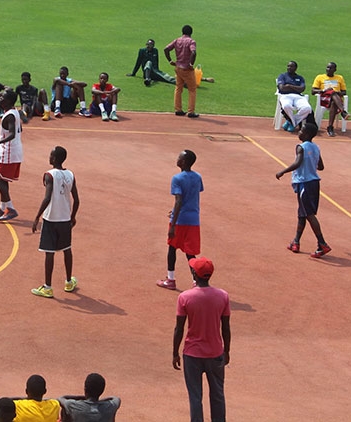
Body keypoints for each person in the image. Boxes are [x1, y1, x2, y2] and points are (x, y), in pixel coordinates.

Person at [172, 257, 231, 422]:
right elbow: (226, 327)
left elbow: (179, 328)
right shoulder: (223, 296)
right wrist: (226, 351)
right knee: (218, 394)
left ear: (193, 273)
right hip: (215, 353)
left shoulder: (185, 297)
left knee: (195, 396)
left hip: (192, 354)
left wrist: (175, 353)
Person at [275, 122, 332, 258]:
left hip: (304, 183)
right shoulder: (316, 147)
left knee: (309, 214)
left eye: (302, 131)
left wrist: (283, 171)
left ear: (306, 134)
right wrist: (311, 163)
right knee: (302, 213)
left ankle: (322, 243)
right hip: (314, 183)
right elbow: (321, 166)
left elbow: (298, 163)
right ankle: (296, 241)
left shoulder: (301, 147)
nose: (299, 132)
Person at [31, 146, 79, 298]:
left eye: (51, 155)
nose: (49, 157)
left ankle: (47, 287)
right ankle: (69, 281)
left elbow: (47, 198)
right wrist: (72, 216)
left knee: (49, 252)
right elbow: (77, 200)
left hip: (51, 218)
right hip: (65, 219)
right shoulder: (70, 174)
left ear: (55, 159)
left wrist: (37, 216)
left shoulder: (49, 175)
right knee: (67, 249)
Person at [157, 150, 203, 291]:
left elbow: (179, 201)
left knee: (172, 248)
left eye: (179, 157)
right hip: (194, 220)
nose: (177, 159)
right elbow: (192, 196)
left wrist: (173, 224)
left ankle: (170, 279)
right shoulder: (197, 177)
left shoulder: (177, 178)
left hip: (180, 220)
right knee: (190, 252)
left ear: (183, 162)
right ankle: (196, 281)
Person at [0, 90, 23, 223]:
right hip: (12, 150)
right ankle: (2, 208)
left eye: (3, 97)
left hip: (9, 152)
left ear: (9, 101)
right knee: (3, 179)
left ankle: (10, 208)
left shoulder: (9, 116)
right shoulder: (15, 112)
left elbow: (13, 134)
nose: (0, 97)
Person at [164, 25, 199, 118]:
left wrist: (170, 61)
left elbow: (166, 49)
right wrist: (191, 64)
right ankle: (191, 111)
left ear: (182, 32)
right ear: (191, 33)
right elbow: (193, 52)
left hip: (178, 67)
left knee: (178, 88)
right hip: (187, 69)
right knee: (192, 89)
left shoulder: (177, 40)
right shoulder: (191, 41)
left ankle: (178, 109)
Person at [311, 61, 349, 137]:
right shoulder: (320, 77)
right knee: (331, 92)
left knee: (333, 102)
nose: (328, 69)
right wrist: (323, 90)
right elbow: (313, 91)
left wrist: (337, 92)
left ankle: (330, 127)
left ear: (335, 70)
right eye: (327, 67)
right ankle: (343, 112)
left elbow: (344, 92)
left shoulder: (339, 78)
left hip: (336, 99)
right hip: (324, 98)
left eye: (331, 68)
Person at [276, 60, 312, 132]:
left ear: (296, 68)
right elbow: (282, 88)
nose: (289, 68)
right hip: (285, 95)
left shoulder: (300, 78)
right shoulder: (282, 76)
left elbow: (302, 89)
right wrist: (295, 87)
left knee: (307, 108)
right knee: (286, 106)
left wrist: (289, 86)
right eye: (288, 66)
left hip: (298, 97)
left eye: (291, 66)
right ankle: (293, 123)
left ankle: (291, 122)